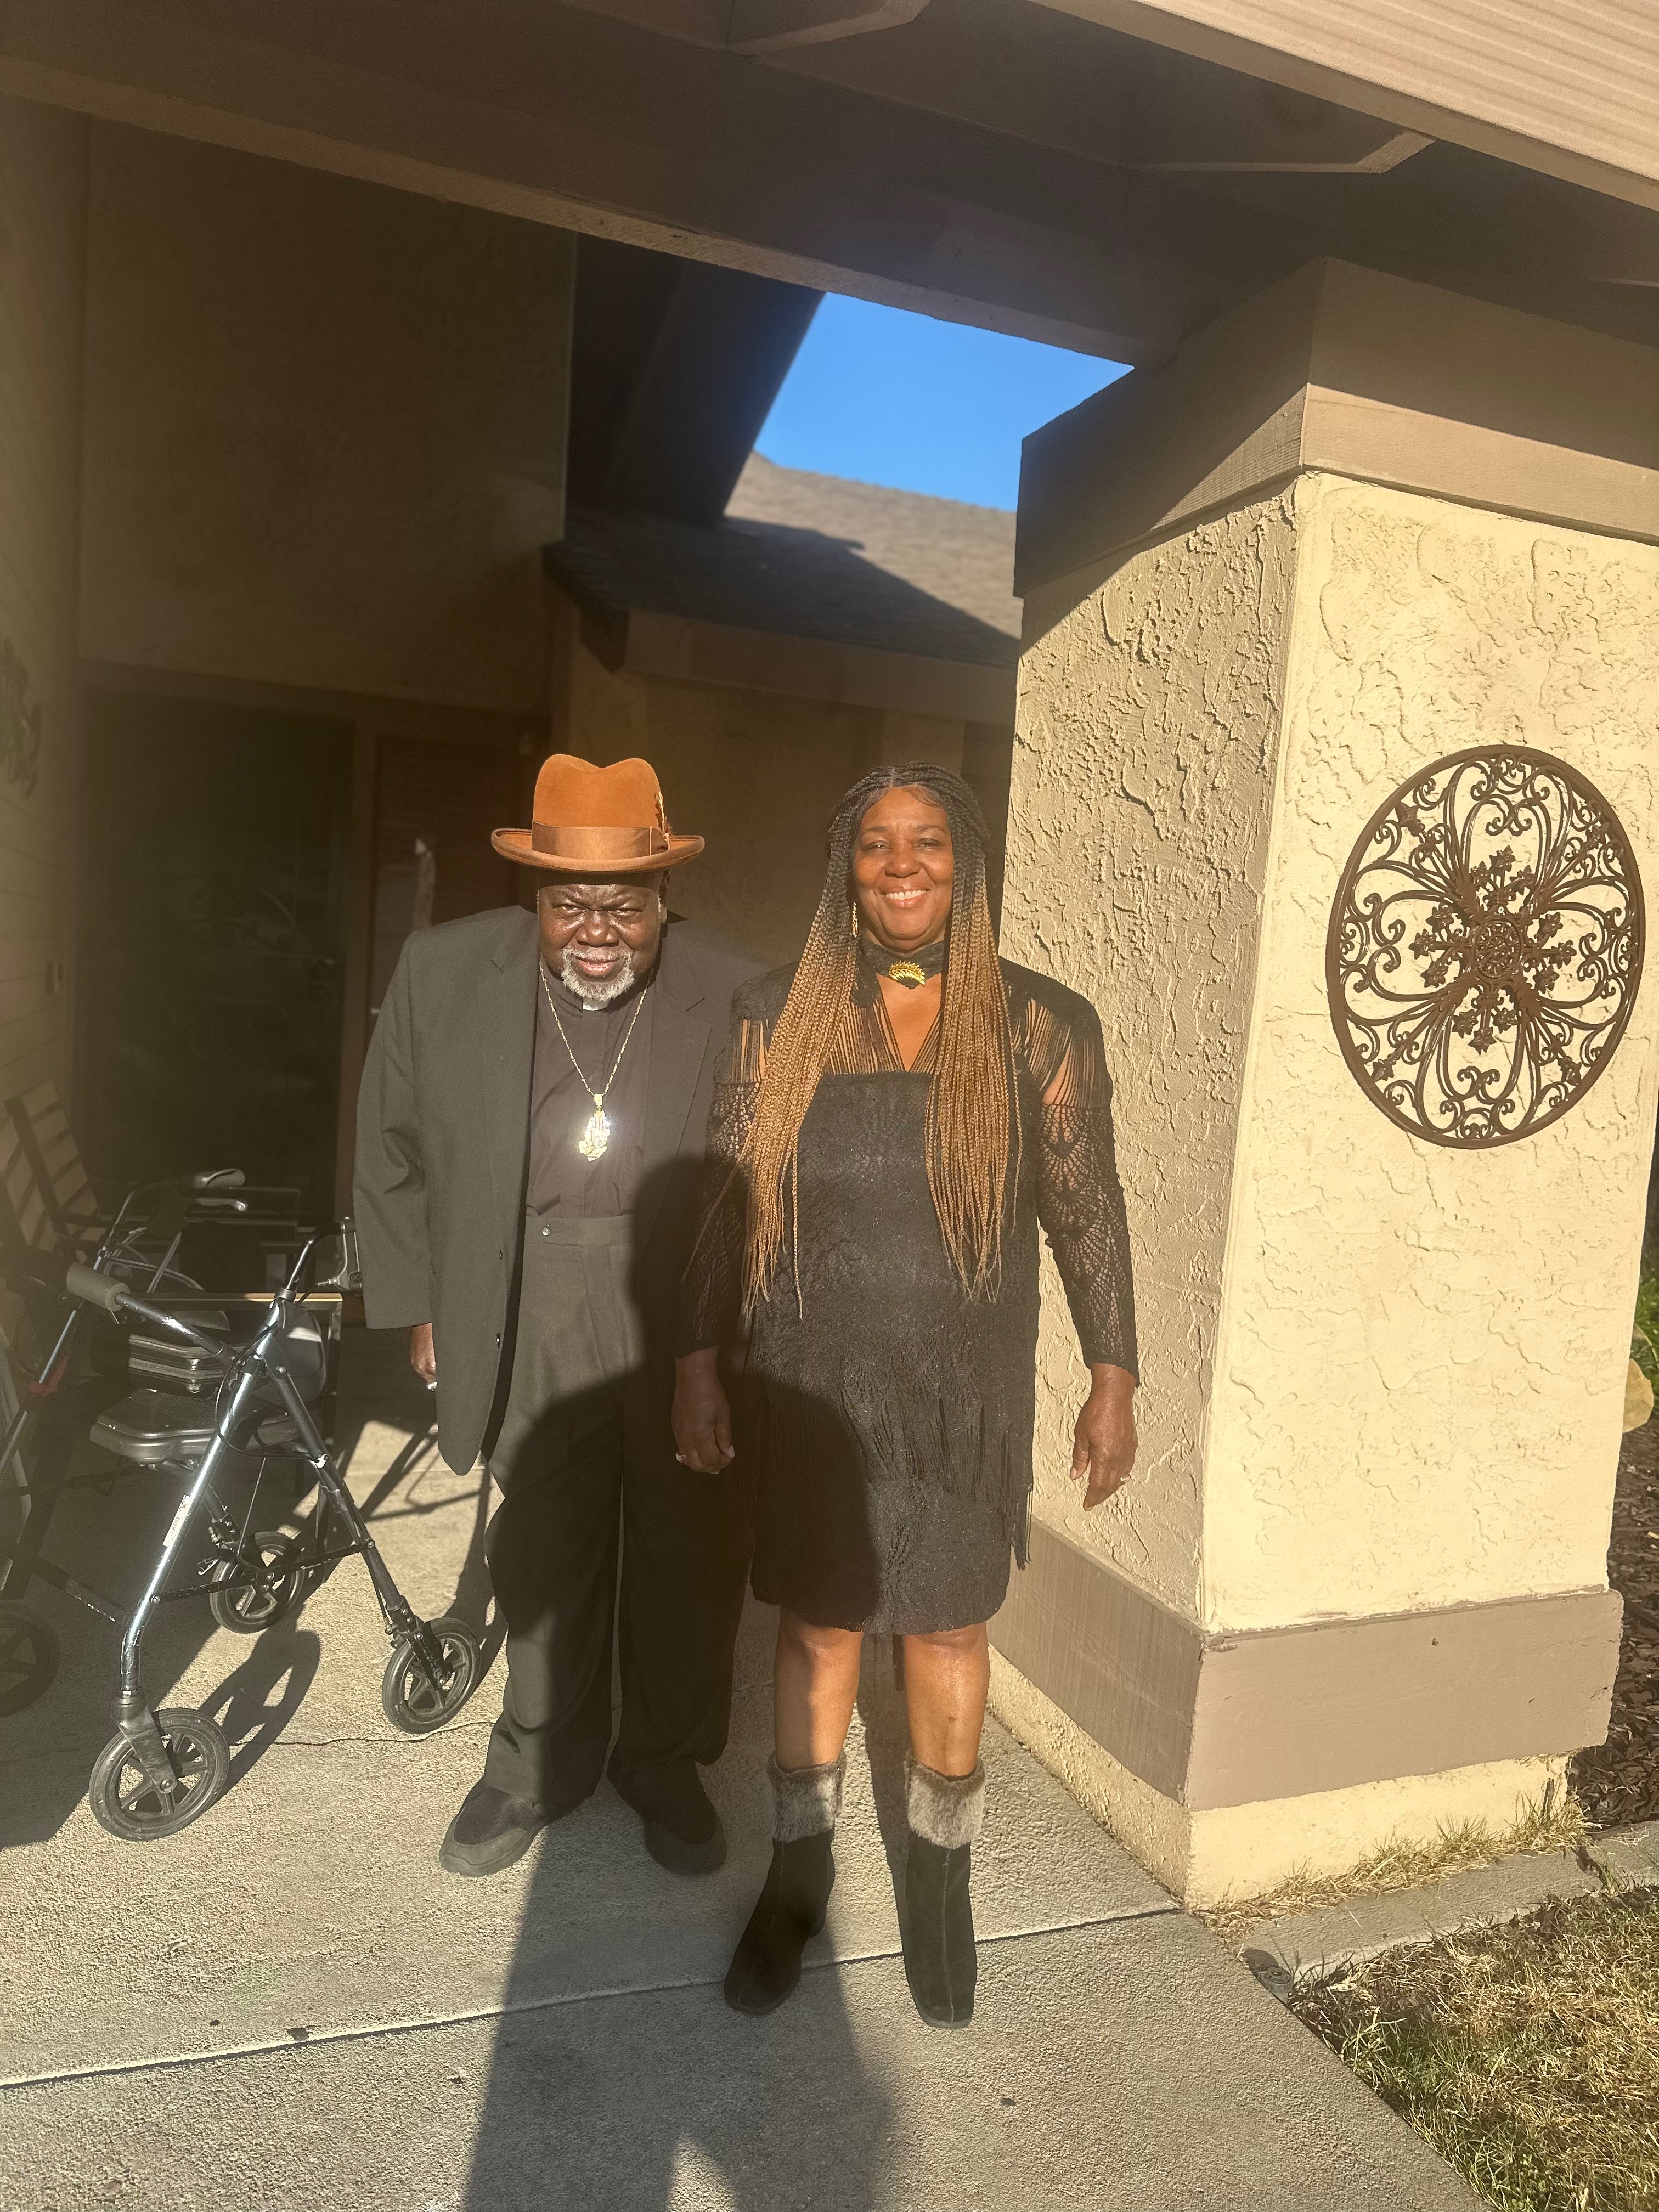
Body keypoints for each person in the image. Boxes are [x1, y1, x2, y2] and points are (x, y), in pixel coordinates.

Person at [674, 764, 1138, 2029]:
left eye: (926, 841)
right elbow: (724, 1204)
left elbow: (1087, 1211)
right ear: (848, 865)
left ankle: (940, 1889)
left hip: (959, 1404)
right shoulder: (775, 1017)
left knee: (945, 1631)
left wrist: (1114, 1371)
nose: (901, 864)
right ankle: (798, 1883)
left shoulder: (1039, 1025)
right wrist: (698, 1360)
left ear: (964, 862)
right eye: (877, 843)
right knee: (820, 1630)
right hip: (815, 1390)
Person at [356, 753, 760, 1880]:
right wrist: (426, 1302)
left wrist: (713, 1351)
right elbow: (388, 1144)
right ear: (535, 895)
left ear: (664, 897)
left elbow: (760, 1186)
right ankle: (536, 1763)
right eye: (569, 905)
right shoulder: (445, 972)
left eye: (622, 908)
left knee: (686, 1547)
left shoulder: (735, 988)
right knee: (542, 1540)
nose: (594, 933)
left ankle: (664, 1762)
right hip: (520, 1286)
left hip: (681, 1297)